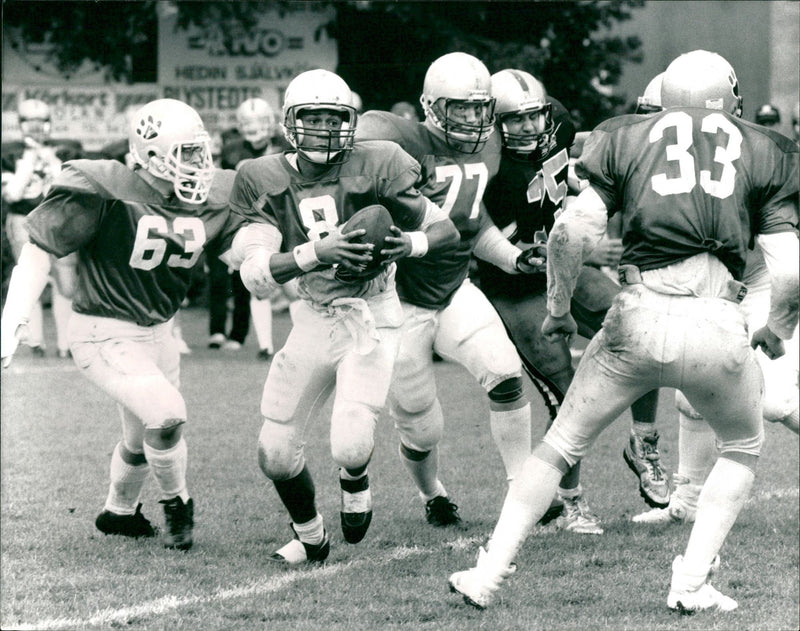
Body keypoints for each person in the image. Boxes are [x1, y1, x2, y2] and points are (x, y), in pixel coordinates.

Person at [448, 49, 799, 613]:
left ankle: (486, 574)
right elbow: (791, 267)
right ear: (728, 98)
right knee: (742, 447)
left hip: (637, 312)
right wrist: (778, 326)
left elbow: (569, 233)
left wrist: (559, 308)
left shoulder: (621, 136)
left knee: (559, 444)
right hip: (716, 320)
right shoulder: (767, 148)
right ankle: (689, 584)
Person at [227, 69, 459, 564]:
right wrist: (318, 252)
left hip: (373, 312)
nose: (326, 130)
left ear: (352, 121)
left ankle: (355, 480)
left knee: (351, 445)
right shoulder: (261, 176)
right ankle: (310, 533)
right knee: (274, 450)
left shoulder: (379, 161)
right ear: (291, 122)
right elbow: (255, 274)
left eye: (336, 119)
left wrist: (409, 243)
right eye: (313, 118)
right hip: (313, 313)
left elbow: (445, 231)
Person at [1, 98, 249, 551]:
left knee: (139, 439)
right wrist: (12, 318)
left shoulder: (208, 197)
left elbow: (235, 245)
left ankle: (118, 513)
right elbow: (39, 250)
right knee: (168, 415)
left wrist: (264, 262)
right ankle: (178, 506)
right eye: (187, 153)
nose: (200, 163)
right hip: (103, 330)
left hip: (160, 330)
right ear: (151, 157)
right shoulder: (107, 190)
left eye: (200, 151)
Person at [356, 52, 544, 528]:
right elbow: (355, 140)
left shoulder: (487, 149)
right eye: (461, 108)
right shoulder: (398, 140)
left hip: (454, 287)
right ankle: (432, 493)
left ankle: (522, 490)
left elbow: (473, 226)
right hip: (398, 304)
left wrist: (512, 258)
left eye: (481, 108)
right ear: (432, 106)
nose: (474, 119)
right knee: (421, 425)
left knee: (504, 374)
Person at [474, 69, 665, 536]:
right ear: (492, 124)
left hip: (567, 268)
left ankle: (644, 444)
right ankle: (571, 502)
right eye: (514, 121)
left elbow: (578, 147)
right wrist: (581, 248)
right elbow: (491, 241)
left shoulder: (555, 118)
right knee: (564, 385)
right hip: (515, 282)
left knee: (642, 326)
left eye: (533, 117)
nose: (529, 128)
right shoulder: (487, 169)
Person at [206, 97, 285, 358]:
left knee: (257, 281)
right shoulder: (232, 150)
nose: (254, 129)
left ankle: (245, 337)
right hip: (235, 220)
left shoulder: (282, 148)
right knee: (223, 278)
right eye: (247, 124)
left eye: (259, 122)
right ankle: (225, 334)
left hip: (275, 220)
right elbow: (220, 185)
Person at [2, 98, 79, 359]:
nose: (35, 128)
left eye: (41, 122)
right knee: (30, 279)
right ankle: (35, 341)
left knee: (66, 283)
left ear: (49, 124)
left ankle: (65, 343)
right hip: (24, 219)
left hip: (60, 220)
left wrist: (49, 160)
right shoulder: (9, 153)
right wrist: (28, 160)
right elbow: (12, 194)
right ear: (21, 124)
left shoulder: (66, 150)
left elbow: (69, 188)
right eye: (29, 122)